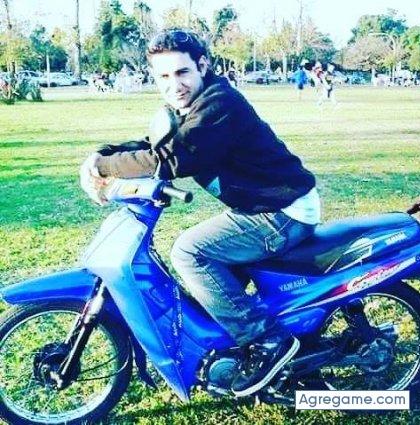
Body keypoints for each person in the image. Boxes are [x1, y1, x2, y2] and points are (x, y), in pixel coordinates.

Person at [80, 29, 320, 397]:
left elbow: (173, 159)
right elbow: (156, 146)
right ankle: (233, 345)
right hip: (262, 208)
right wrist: (102, 155)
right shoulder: (191, 106)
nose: (174, 84)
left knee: (190, 251)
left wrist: (105, 167)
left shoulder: (219, 103)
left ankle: (267, 340)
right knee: (209, 283)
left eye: (182, 72)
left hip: (284, 211)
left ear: (202, 66)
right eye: (163, 76)